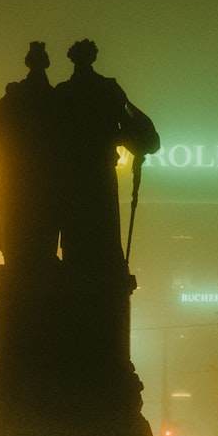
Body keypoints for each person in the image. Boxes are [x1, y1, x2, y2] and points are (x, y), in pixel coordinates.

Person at [52, 39, 160, 273]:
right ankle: (102, 267)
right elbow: (128, 127)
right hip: (98, 172)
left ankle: (78, 267)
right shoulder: (107, 89)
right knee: (102, 229)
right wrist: (137, 144)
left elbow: (49, 136)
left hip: (72, 175)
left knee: (76, 232)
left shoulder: (63, 93)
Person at [0, 41, 60, 271]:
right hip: (42, 171)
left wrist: (4, 156)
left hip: (19, 172)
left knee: (20, 219)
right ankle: (40, 256)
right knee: (43, 218)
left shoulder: (15, 96)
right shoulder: (53, 98)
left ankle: (22, 257)